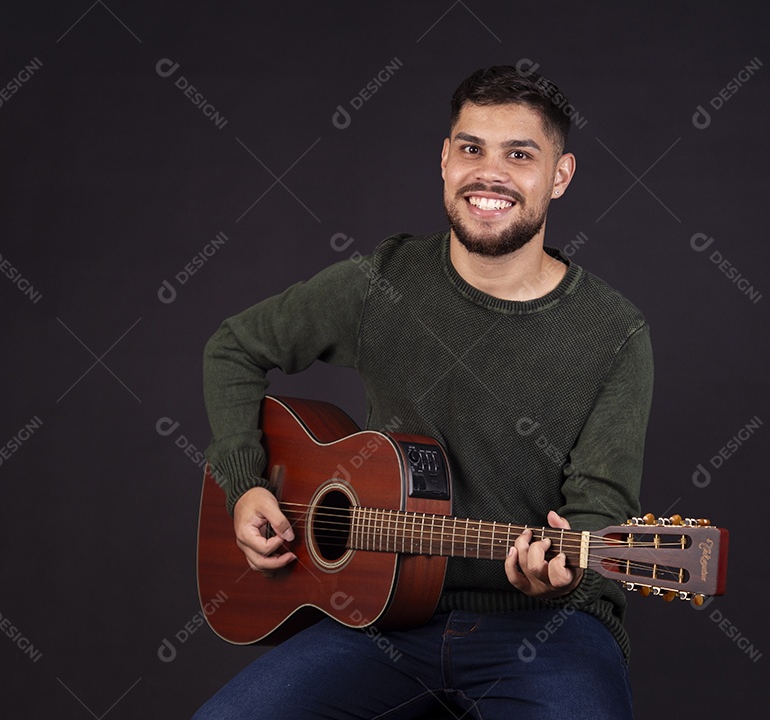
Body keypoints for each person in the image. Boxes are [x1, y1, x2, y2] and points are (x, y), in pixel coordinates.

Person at [194, 65, 653, 720]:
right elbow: (233, 348)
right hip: (378, 619)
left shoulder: (615, 332)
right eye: (471, 148)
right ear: (445, 160)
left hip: (545, 631)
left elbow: (598, 508)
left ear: (560, 175)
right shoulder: (383, 280)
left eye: (519, 154)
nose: (488, 174)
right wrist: (246, 487)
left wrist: (567, 566)